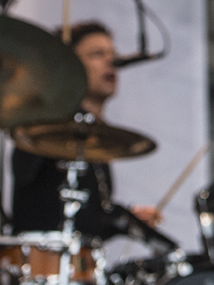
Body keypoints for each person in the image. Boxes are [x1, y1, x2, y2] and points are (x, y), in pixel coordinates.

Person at [11, 21, 161, 238]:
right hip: (41, 261)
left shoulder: (99, 136)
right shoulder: (49, 124)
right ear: (70, 66)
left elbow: (87, 221)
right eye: (97, 54)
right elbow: (24, 178)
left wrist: (126, 219)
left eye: (113, 54)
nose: (112, 61)